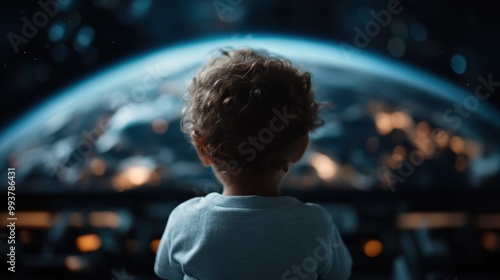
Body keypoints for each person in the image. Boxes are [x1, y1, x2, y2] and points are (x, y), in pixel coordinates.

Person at [154, 48, 352, 279]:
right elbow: (341, 274)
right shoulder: (316, 225)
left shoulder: (184, 222)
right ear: (300, 148)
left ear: (203, 149)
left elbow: (166, 273)